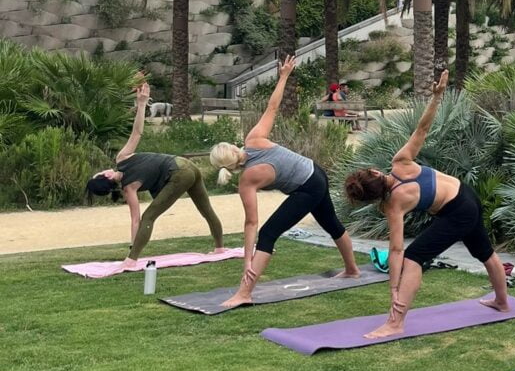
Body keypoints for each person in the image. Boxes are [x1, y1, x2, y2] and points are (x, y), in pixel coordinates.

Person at [343, 69, 510, 338]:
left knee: (414, 257)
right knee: (484, 252)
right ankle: (502, 302)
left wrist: (393, 286)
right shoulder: (401, 162)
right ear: (375, 173)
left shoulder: (393, 205)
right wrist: (437, 97)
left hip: (457, 212)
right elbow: (422, 129)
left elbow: (397, 251)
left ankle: (396, 322)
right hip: (467, 195)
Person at [210, 55, 361, 308]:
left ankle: (245, 293)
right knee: (331, 223)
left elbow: (251, 223)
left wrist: (247, 259)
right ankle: (352, 269)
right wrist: (283, 77)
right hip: (316, 172)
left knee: (268, 233)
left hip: (308, 185)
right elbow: (272, 108)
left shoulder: (247, 179)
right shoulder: (253, 138)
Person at [85, 81, 226, 268]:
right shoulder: (123, 161)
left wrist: (142, 104)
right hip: (186, 165)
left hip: (180, 173)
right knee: (206, 210)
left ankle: (131, 260)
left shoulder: (128, 185)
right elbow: (137, 133)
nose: (104, 169)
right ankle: (219, 248)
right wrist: (142, 104)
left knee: (149, 217)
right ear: (107, 177)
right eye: (101, 172)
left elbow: (136, 220)